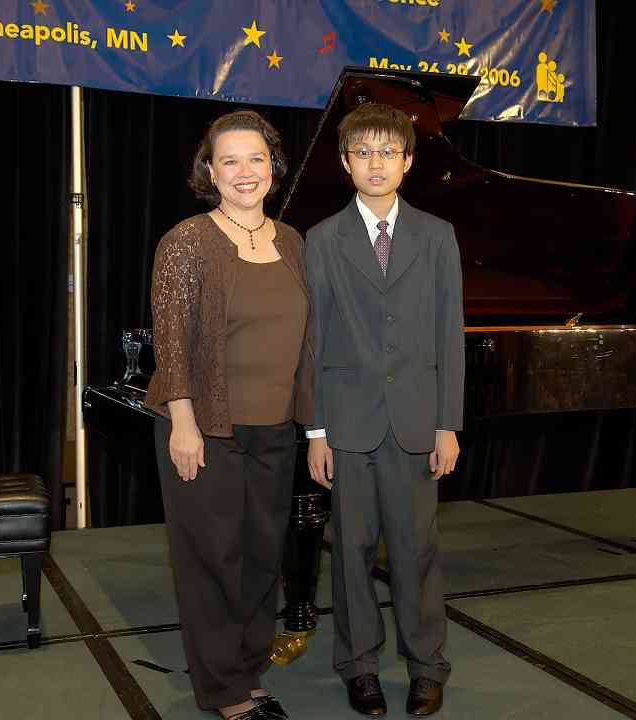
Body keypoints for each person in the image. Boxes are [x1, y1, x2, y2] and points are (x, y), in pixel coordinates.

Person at [144, 110, 313, 720]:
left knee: (263, 558)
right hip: (206, 428)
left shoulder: (293, 242)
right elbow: (172, 341)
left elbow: (308, 345)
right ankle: (225, 693)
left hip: (276, 429)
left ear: (274, 167)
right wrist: (184, 422)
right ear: (210, 172)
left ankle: (246, 671)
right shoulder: (186, 241)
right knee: (212, 560)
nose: (246, 172)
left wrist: (313, 428)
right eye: (231, 161)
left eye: (257, 159)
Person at [304, 103, 464, 717]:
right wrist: (316, 428)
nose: (376, 163)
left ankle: (427, 666)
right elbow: (313, 340)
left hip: (418, 420)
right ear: (345, 164)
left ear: (408, 162)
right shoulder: (321, 240)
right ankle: (359, 666)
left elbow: (450, 335)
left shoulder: (436, 234)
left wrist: (447, 423)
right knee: (348, 550)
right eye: (363, 152)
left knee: (416, 549)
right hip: (345, 422)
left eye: (388, 152)